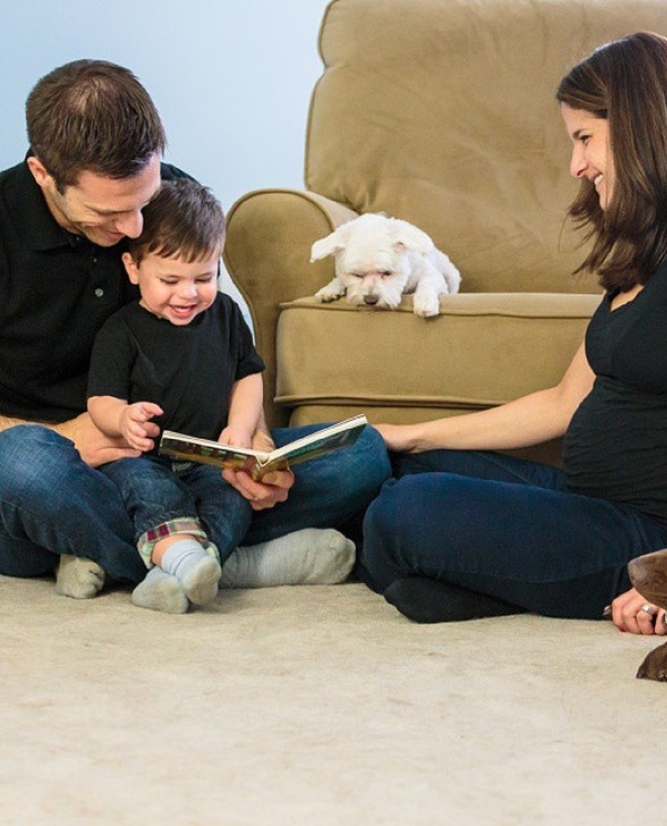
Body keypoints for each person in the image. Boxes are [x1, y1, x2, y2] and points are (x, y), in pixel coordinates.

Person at [358, 32, 667, 631]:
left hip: (658, 537)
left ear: (640, 127)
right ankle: (488, 587)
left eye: (584, 139)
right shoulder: (654, 248)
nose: (576, 165)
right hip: (586, 501)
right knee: (396, 467)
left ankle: (470, 580)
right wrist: (409, 436)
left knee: (404, 514)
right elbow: (564, 401)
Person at [0, 59, 389, 601]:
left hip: (190, 459)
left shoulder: (174, 200)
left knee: (361, 452)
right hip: (69, 471)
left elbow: (223, 346)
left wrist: (253, 447)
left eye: (144, 199)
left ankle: (153, 556)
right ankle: (232, 562)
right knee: (20, 465)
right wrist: (71, 439)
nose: (135, 228)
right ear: (44, 174)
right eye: (109, 213)